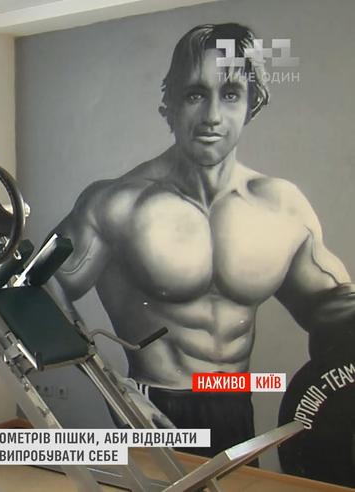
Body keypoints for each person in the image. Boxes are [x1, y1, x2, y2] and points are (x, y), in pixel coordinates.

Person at [45, 23, 355, 457]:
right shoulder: (117, 204)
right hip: (153, 407)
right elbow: (36, 286)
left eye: (230, 94)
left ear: (252, 105)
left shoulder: (282, 207)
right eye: (195, 94)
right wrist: (109, 383)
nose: (212, 116)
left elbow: (332, 307)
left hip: (235, 405)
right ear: (168, 105)